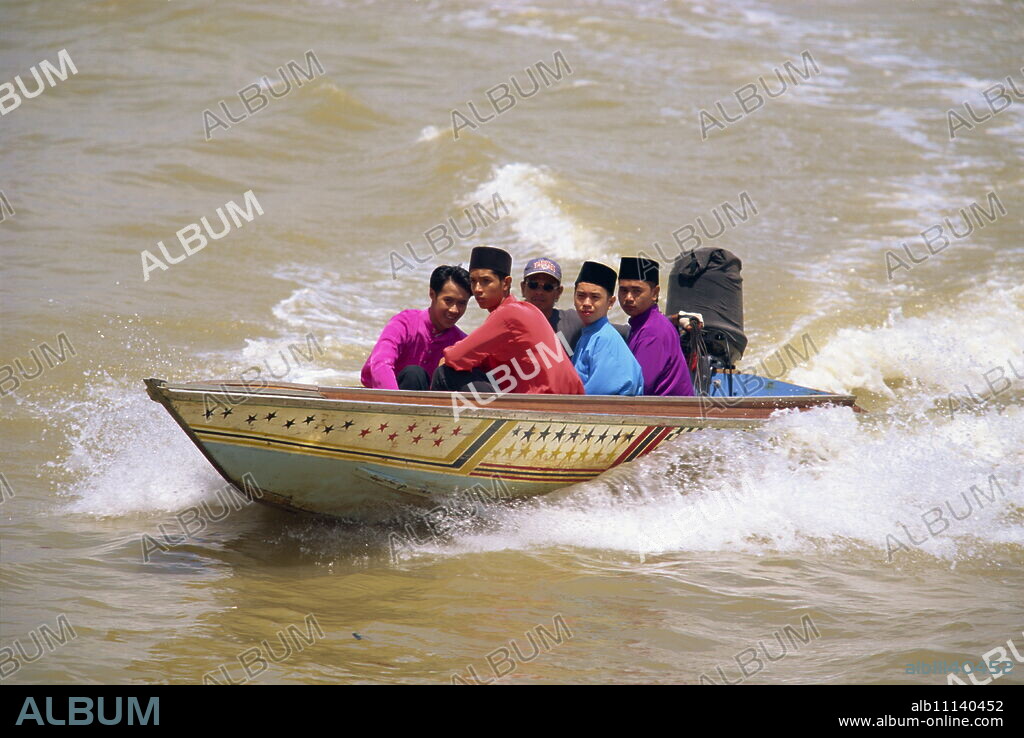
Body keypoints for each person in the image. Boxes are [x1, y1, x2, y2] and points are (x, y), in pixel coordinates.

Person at [431, 246, 585, 395]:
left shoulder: (507, 314)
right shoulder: (524, 309)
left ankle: (433, 420)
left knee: (445, 372)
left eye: (485, 281)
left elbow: (456, 357)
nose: (477, 289)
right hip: (568, 399)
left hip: (544, 400)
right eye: (473, 281)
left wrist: (447, 359)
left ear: (506, 283)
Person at [361, 265, 471, 390]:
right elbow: (380, 363)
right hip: (391, 397)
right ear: (432, 294)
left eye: (462, 303)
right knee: (413, 374)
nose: (454, 310)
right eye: (448, 300)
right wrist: (394, 402)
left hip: (430, 404)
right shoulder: (404, 323)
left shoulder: (462, 342)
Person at [618, 256, 694, 396]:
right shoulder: (650, 323)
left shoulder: (652, 331)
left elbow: (640, 386)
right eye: (623, 290)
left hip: (670, 413)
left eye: (636, 291)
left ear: (655, 293)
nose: (628, 297)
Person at [520, 257, 628, 351]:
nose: (539, 292)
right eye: (533, 285)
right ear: (523, 288)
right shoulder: (508, 324)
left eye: (548, 287)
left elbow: (627, 333)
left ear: (558, 292)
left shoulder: (574, 322)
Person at [571, 261, 643, 395]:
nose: (586, 303)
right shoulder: (588, 335)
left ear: (610, 302)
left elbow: (599, 400)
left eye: (595, 297)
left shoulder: (604, 339)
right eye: (581, 296)